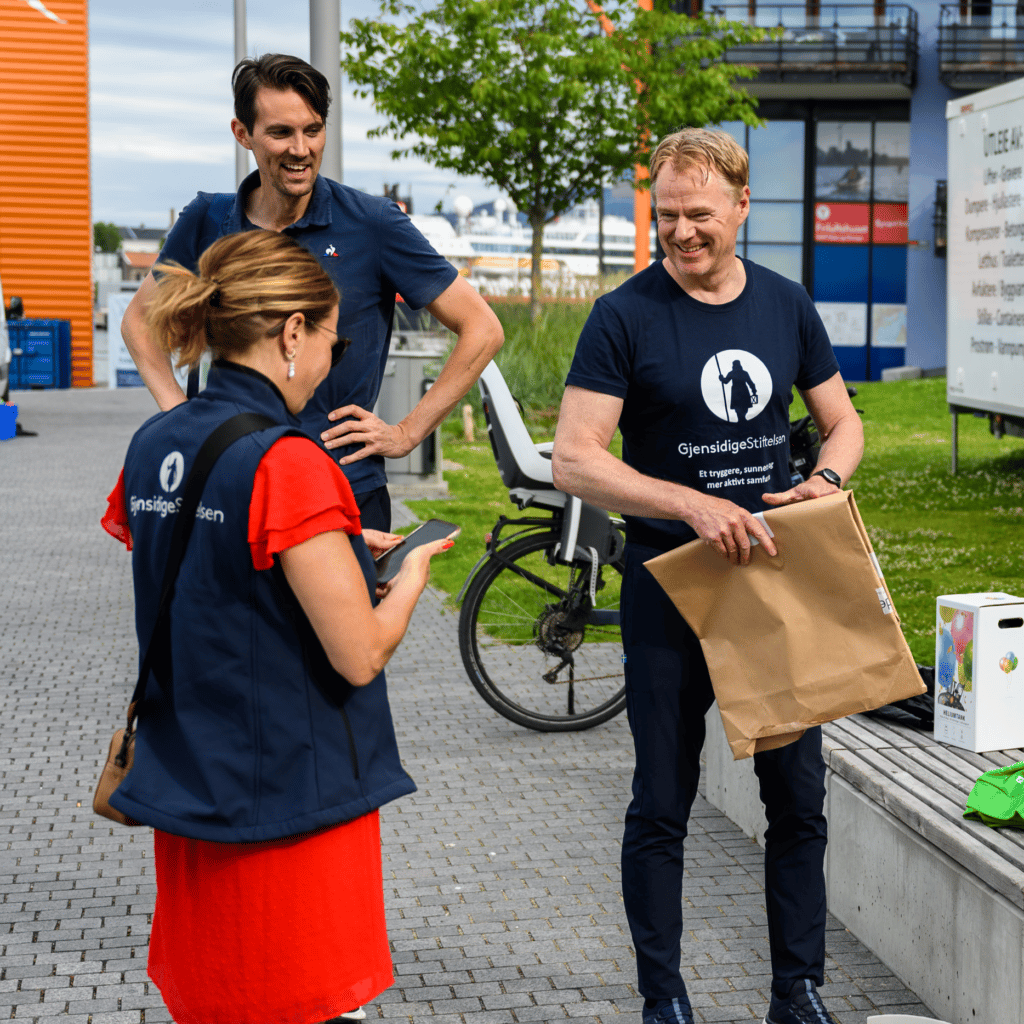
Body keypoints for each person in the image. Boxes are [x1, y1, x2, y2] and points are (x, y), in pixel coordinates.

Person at [101, 230, 455, 1024]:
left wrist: (322, 541)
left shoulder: (155, 439)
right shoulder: (291, 463)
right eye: (333, 337)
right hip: (287, 805)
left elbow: (199, 549)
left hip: (189, 785)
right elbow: (360, 653)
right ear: (293, 333)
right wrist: (412, 579)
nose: (334, 356)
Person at [551, 128, 864, 1024]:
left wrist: (825, 479)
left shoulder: (785, 305)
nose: (683, 232)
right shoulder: (624, 315)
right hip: (668, 583)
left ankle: (796, 990)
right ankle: (665, 996)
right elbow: (576, 459)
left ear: (740, 207)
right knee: (662, 801)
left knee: (797, 798)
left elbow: (843, 424)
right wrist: (689, 504)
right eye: (668, 215)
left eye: (700, 215)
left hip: (769, 586)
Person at [121, 52, 502, 533]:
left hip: (338, 486)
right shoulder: (207, 219)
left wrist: (408, 431)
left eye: (313, 129)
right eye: (281, 133)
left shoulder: (372, 223)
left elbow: (482, 328)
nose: (300, 149)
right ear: (243, 134)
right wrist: (180, 412)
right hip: (225, 480)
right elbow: (139, 321)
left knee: (345, 612)